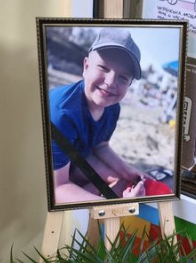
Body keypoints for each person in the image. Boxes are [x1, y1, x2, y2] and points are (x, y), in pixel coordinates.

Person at [49, 28, 164, 204]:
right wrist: (114, 204)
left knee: (124, 181)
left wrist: (128, 170)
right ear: (86, 67)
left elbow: (100, 146)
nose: (110, 82)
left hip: (77, 157)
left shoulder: (112, 107)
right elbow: (56, 188)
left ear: (129, 84)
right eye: (103, 68)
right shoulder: (61, 114)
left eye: (123, 78)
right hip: (47, 171)